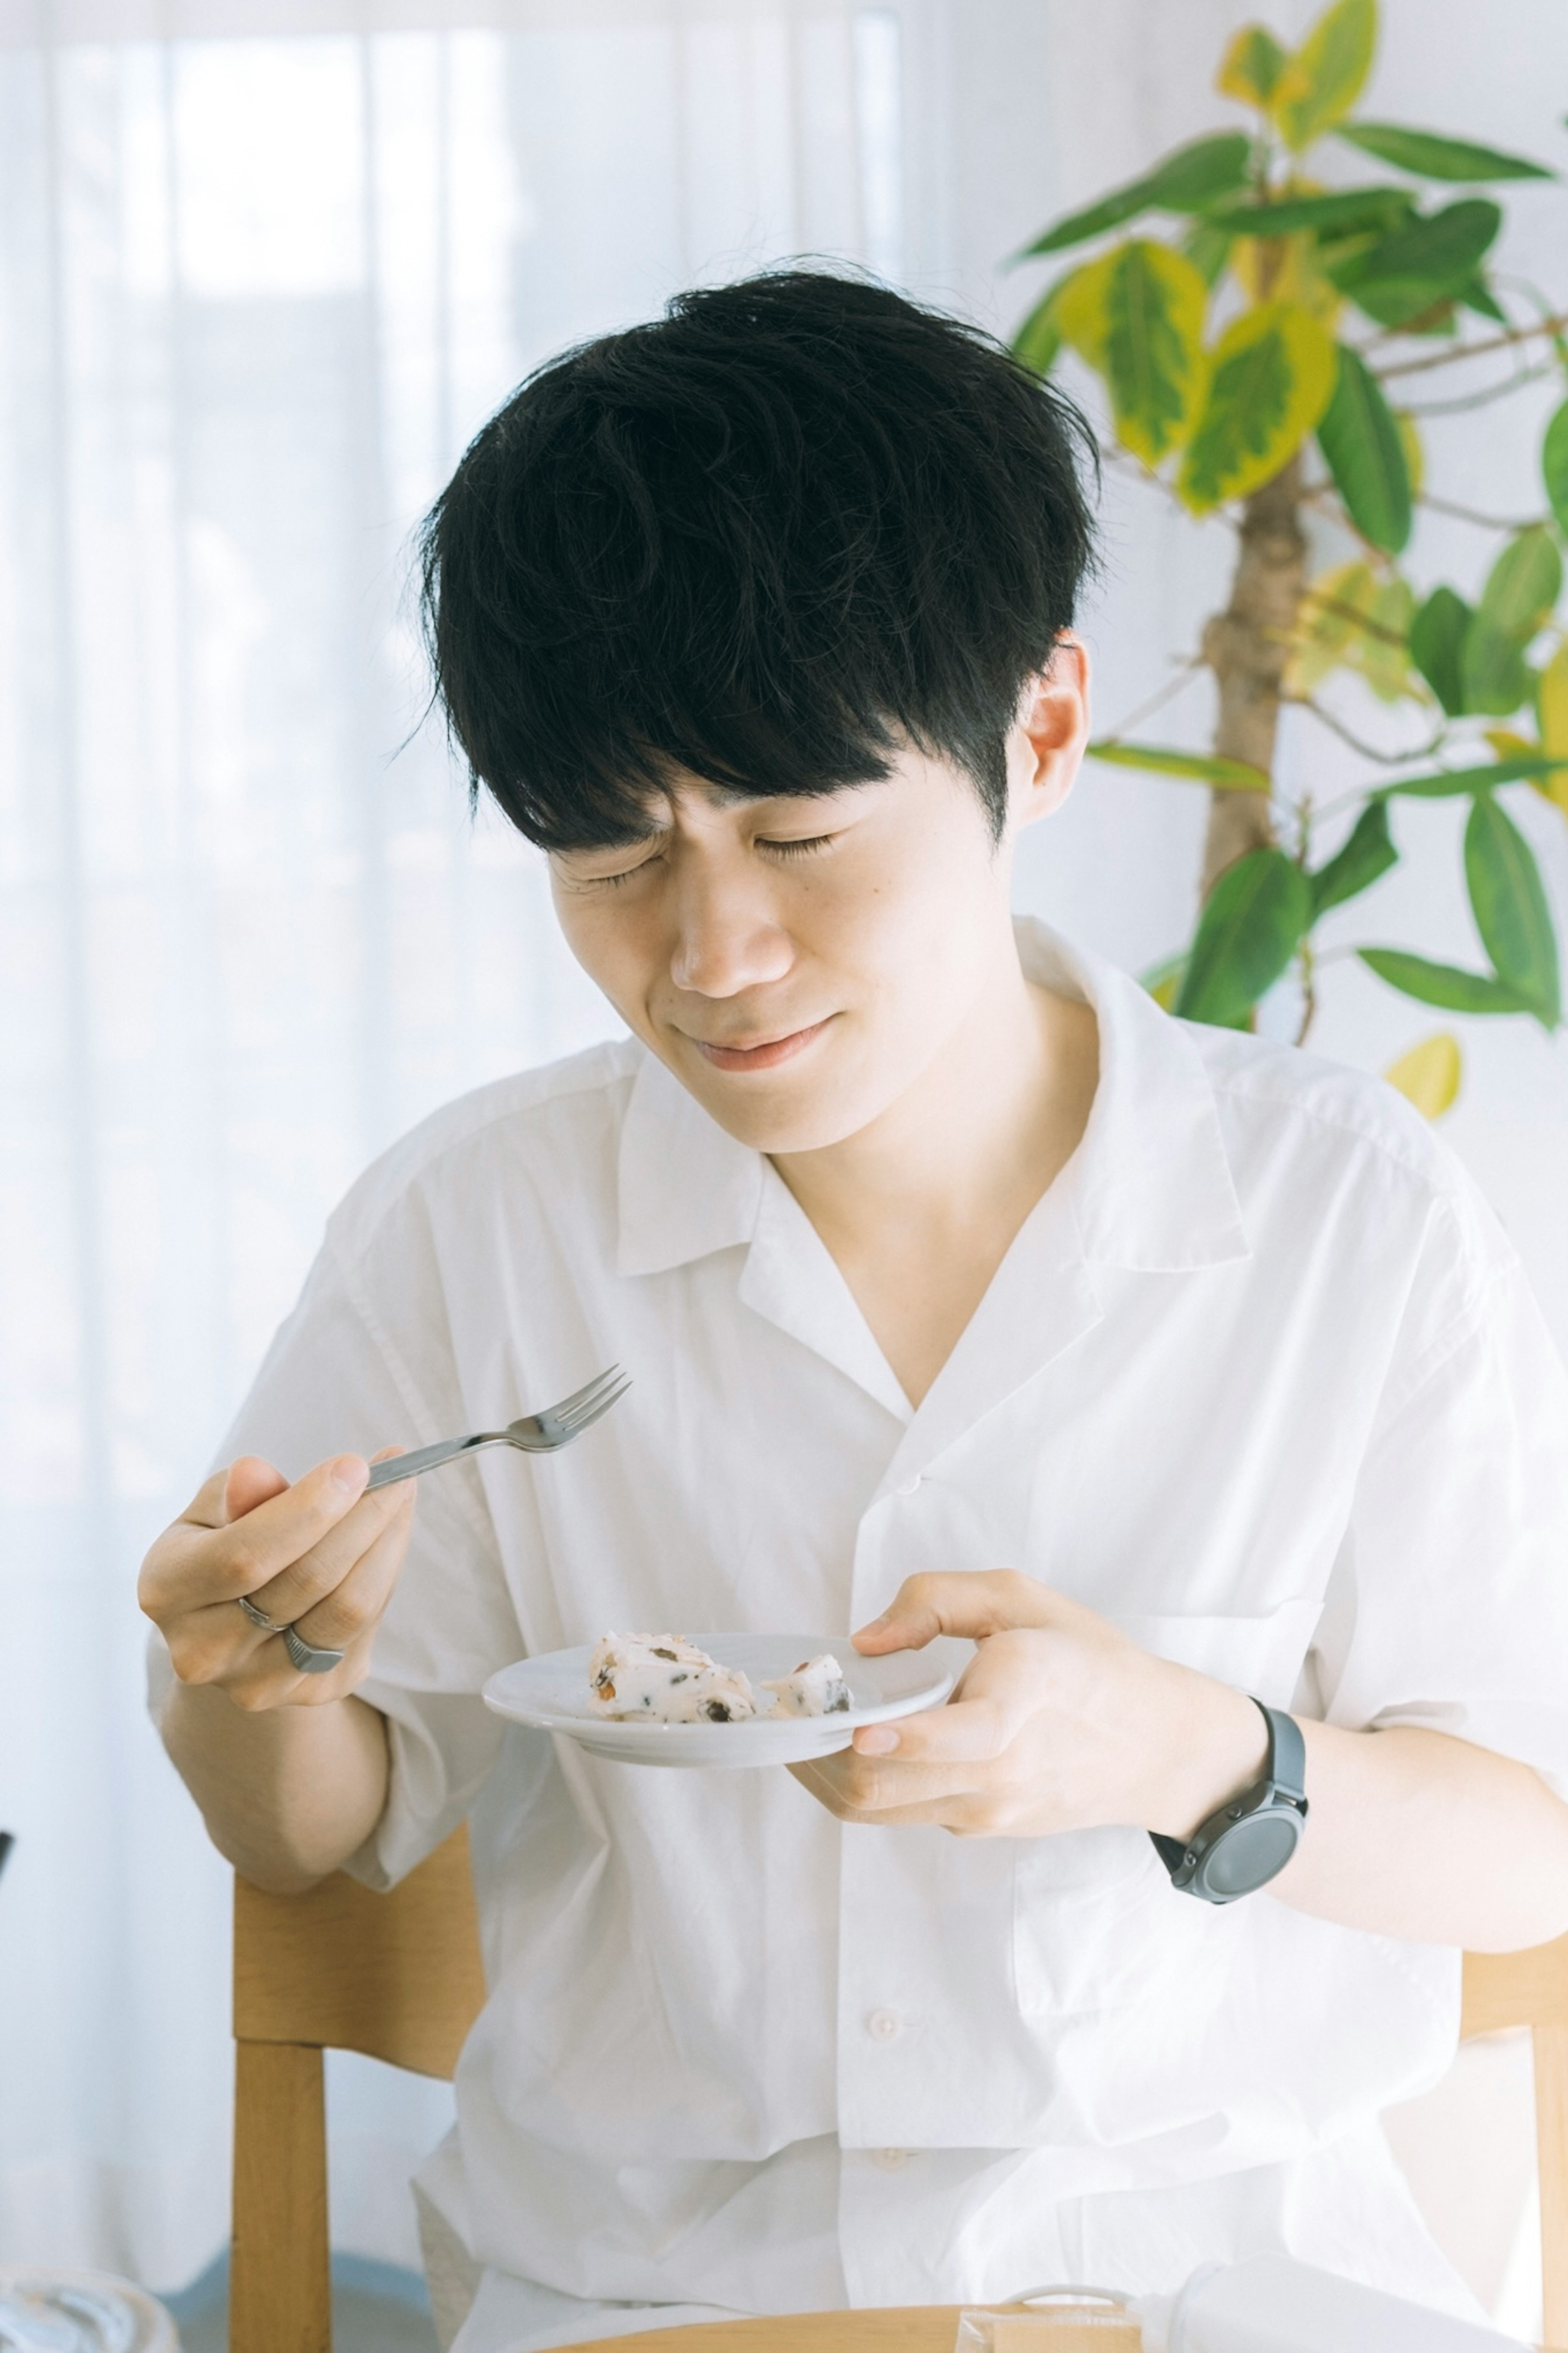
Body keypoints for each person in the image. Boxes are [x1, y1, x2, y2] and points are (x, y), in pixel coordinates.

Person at [141, 271, 1568, 2352]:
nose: (712, 949)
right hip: (652, 2309)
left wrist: (1183, 1746)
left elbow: (1523, 1848)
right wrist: (243, 1682)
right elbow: (338, 1827)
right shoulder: (472, 1223)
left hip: (1222, 2295)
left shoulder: (1339, 1208)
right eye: (615, 856)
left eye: (800, 834)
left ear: (1042, 729)